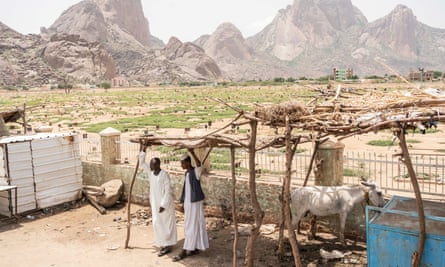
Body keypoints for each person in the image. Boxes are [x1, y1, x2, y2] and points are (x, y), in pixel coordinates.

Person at [139, 149, 177, 257]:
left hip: (164, 205)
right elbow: (141, 163)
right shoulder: (151, 173)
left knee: (166, 224)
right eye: (150, 165)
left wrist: (163, 205)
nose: (150, 166)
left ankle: (168, 245)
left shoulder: (164, 175)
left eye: (152, 165)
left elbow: (168, 191)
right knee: (157, 223)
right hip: (155, 204)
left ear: (158, 165)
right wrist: (143, 150)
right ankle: (163, 244)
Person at [172, 151, 209, 262]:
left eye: (182, 163)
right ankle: (193, 248)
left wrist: (193, 152)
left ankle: (185, 250)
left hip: (194, 204)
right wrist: (183, 203)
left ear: (188, 162)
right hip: (189, 203)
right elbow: (186, 190)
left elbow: (199, 165)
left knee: (190, 226)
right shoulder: (187, 173)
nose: (181, 165)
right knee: (192, 224)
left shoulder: (195, 172)